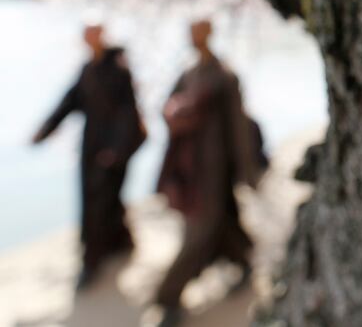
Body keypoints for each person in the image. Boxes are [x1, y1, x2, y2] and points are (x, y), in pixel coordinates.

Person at [155, 19, 263, 326]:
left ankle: (168, 295)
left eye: (199, 34)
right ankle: (243, 261)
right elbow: (167, 108)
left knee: (201, 230)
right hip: (192, 167)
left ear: (209, 35)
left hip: (216, 168)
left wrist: (247, 171)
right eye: (191, 34)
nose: (195, 39)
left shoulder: (223, 77)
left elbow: (238, 127)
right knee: (222, 221)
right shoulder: (189, 74)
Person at [32, 23, 146, 289]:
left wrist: (117, 149)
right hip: (92, 146)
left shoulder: (118, 68)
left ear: (102, 36)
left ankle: (92, 261)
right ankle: (120, 242)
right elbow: (70, 101)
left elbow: (129, 111)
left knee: (99, 204)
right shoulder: (89, 69)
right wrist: (45, 130)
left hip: (112, 149)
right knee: (100, 200)